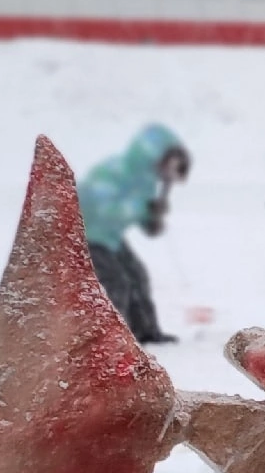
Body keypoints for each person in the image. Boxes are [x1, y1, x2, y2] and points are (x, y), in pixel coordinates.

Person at [78, 124, 193, 345]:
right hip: (87, 236)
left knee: (137, 276)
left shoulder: (147, 183)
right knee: (116, 281)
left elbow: (145, 226)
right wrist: (142, 208)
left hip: (111, 238)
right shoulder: (113, 171)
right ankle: (110, 338)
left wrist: (152, 219)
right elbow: (101, 209)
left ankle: (144, 331)